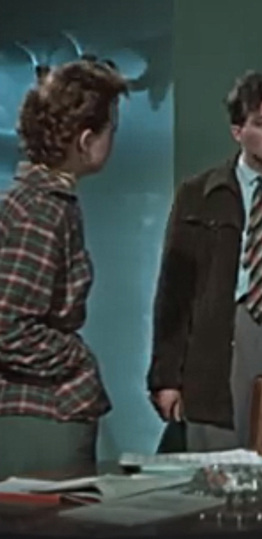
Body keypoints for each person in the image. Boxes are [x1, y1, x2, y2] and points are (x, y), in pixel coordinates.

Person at [147, 72, 262, 451]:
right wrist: (166, 378)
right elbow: (174, 291)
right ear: (238, 131)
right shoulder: (200, 195)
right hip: (219, 337)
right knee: (218, 462)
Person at [0, 58, 128, 479]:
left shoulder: (38, 202)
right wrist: (78, 358)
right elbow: (7, 325)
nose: (113, 139)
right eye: (112, 129)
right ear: (86, 139)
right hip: (39, 414)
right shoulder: (42, 211)